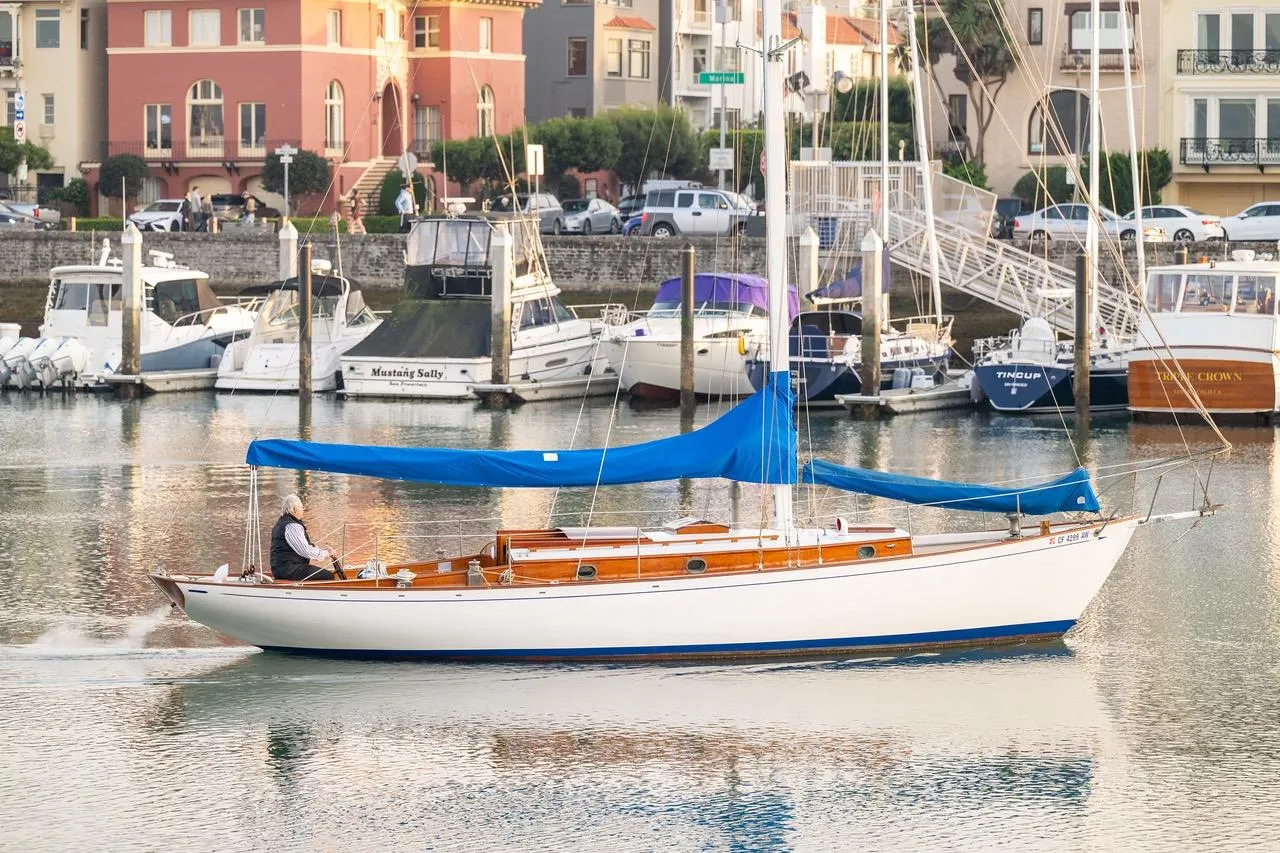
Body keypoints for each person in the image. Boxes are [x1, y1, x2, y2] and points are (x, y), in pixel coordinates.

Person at [270, 494, 340, 581]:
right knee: (328, 576)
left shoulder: (281, 523)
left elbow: (303, 547)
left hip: (282, 569)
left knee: (320, 573)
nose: (303, 510)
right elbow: (305, 551)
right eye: (302, 507)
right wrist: (327, 553)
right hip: (290, 570)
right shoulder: (292, 526)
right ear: (295, 509)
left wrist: (322, 550)